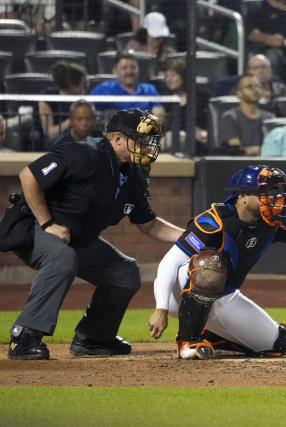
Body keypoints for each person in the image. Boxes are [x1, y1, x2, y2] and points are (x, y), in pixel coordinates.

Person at [6, 109, 185, 360]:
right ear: (117, 138)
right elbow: (28, 176)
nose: (146, 145)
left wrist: (192, 235)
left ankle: (93, 338)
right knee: (62, 258)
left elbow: (149, 224)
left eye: (148, 140)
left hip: (76, 239)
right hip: (36, 227)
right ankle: (23, 337)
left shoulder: (133, 173)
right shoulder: (83, 153)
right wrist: (47, 224)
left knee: (125, 272)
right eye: (141, 138)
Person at [148, 165, 286, 359]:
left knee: (281, 343)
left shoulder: (274, 220)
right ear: (242, 196)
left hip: (224, 296)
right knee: (211, 263)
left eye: (273, 191)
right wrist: (161, 309)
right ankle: (188, 341)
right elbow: (169, 263)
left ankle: (212, 334)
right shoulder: (214, 221)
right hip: (181, 294)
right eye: (263, 192)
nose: (272, 197)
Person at [90, 52, 166, 123]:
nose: (129, 72)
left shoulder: (149, 89)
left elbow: (159, 114)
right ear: (115, 71)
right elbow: (87, 109)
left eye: (133, 67)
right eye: (124, 68)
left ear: (138, 70)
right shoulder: (104, 88)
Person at [245, 0, 286, 84]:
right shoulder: (257, 7)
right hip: (266, 50)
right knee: (273, 57)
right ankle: (273, 89)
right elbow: (250, 34)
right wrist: (267, 39)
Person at [219, 74, 275, 155]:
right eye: (250, 86)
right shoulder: (230, 118)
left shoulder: (270, 118)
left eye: (257, 86)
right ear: (239, 93)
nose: (255, 90)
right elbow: (237, 151)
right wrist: (264, 149)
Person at [163, 58, 209, 154]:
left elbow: (207, 121)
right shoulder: (165, 98)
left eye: (173, 75)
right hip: (172, 139)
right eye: (166, 76)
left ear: (183, 77)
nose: (168, 79)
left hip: (197, 139)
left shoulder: (201, 95)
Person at [36, 61, 88, 144]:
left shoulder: (85, 99)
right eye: (83, 84)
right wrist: (73, 120)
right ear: (72, 85)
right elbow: (50, 133)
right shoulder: (47, 97)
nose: (86, 86)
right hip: (54, 142)